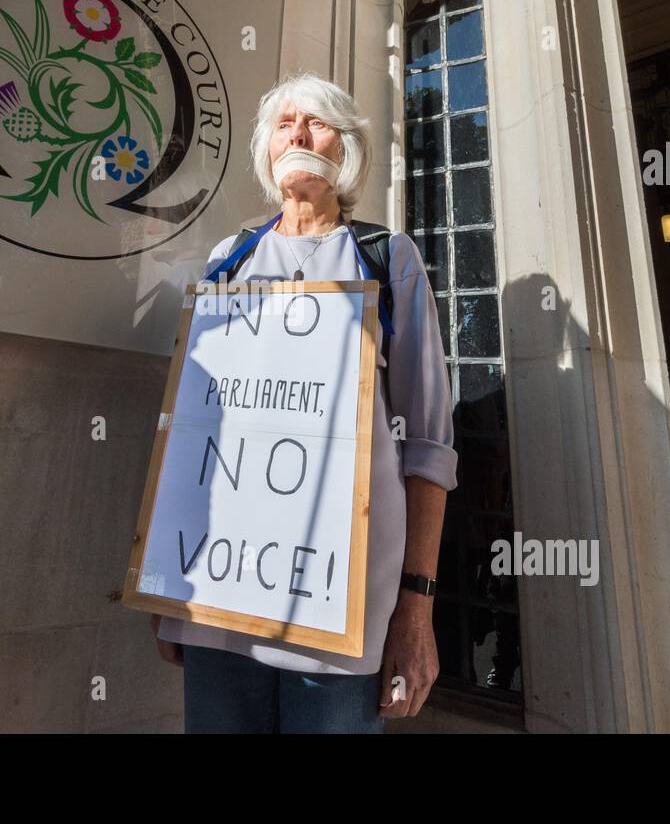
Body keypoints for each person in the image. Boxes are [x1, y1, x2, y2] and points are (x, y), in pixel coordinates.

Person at [152, 70, 459, 733]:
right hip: (219, 601)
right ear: (266, 150)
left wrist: (416, 605)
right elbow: (191, 432)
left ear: (344, 149)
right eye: (284, 122)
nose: (298, 131)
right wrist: (164, 578)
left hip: (339, 618)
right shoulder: (227, 261)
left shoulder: (387, 258)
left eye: (317, 121)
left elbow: (428, 449)